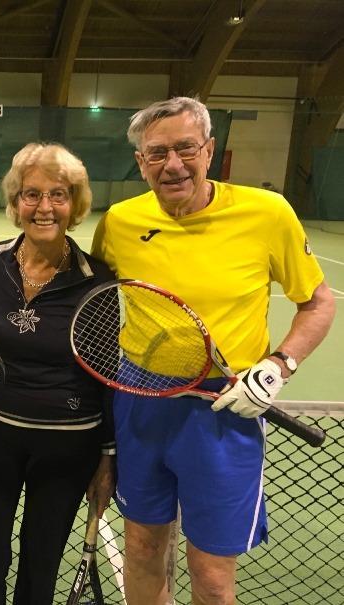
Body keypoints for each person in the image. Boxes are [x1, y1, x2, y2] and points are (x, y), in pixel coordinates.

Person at [91, 96, 336, 605]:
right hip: (141, 403)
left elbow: (317, 302)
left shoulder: (267, 213)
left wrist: (278, 365)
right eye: (157, 154)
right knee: (140, 548)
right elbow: (94, 304)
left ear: (209, 149)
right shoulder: (118, 222)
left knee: (212, 574)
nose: (173, 165)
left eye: (185, 149)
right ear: (141, 162)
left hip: (227, 408)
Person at [0, 142, 116, 605]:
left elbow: (106, 374)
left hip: (68, 445)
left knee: (41, 558)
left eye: (58, 195)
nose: (44, 207)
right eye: (31, 194)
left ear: (75, 204)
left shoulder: (98, 279)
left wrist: (107, 458)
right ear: (15, 202)